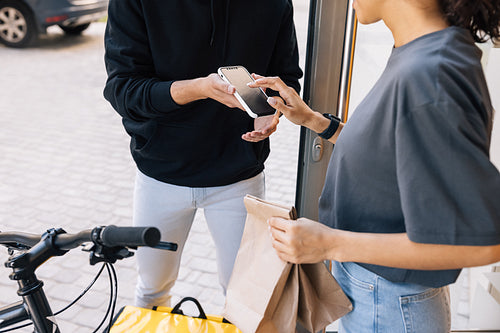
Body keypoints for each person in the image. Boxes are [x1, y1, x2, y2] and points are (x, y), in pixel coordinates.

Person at [250, 0, 500, 331]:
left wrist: (328, 243)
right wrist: (313, 120)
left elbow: (480, 242)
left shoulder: (431, 75)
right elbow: (391, 147)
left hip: (390, 305)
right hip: (381, 296)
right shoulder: (421, 52)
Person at [103, 0, 302, 308]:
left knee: (245, 298)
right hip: (160, 174)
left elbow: (286, 76)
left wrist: (271, 110)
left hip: (239, 177)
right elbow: (123, 90)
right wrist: (199, 88)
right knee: (152, 289)